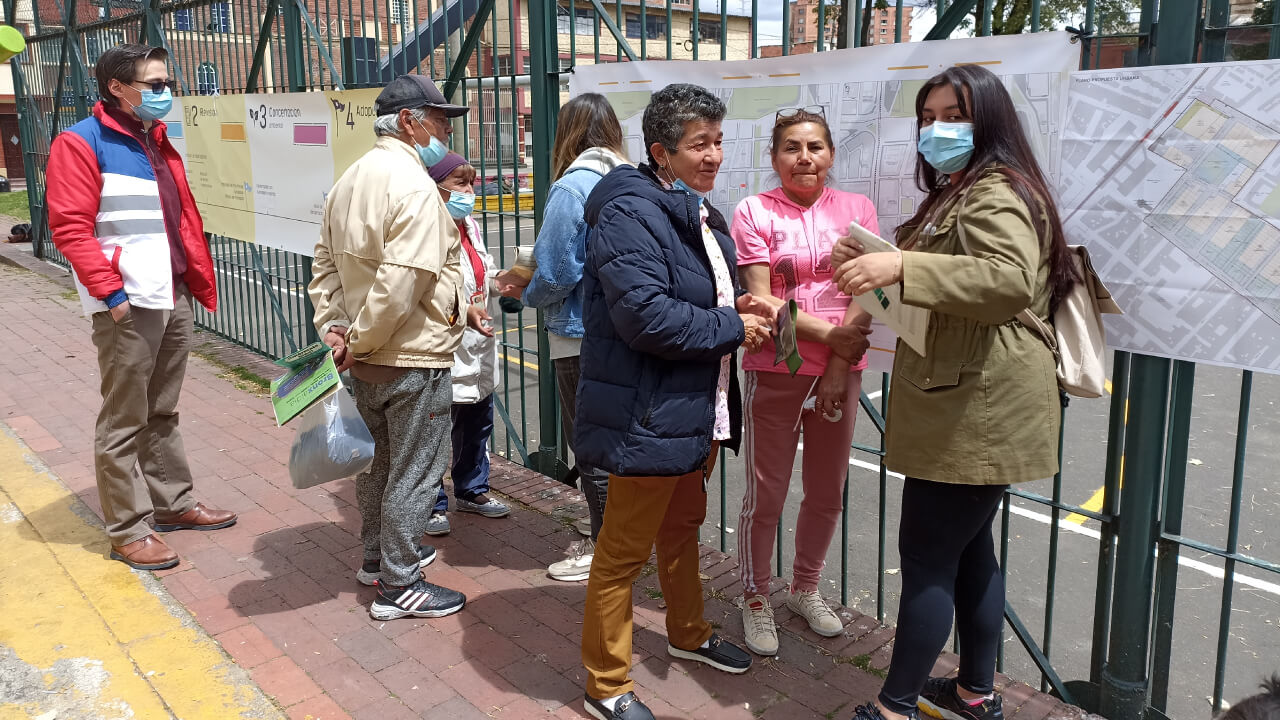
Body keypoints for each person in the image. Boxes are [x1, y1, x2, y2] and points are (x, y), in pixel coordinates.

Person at [830, 64, 1079, 720]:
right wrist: (871, 268)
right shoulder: (958, 190)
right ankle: (975, 694)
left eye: (952, 117)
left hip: (979, 406)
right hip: (967, 398)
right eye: (929, 117)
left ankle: (893, 708)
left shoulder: (996, 190)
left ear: (988, 121)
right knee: (970, 554)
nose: (936, 130)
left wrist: (903, 262)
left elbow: (1005, 282)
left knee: (928, 558)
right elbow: (932, 292)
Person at [575, 83, 775, 720]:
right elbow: (646, 317)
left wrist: (734, 308)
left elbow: (694, 297)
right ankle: (606, 684)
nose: (714, 155)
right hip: (647, 414)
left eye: (718, 141)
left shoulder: (697, 209)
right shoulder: (629, 212)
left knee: (683, 530)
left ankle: (688, 634)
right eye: (699, 144)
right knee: (622, 554)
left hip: (695, 405)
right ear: (661, 152)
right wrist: (732, 327)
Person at [46, 44, 234, 571]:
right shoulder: (81, 142)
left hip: (169, 292)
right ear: (117, 88)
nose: (164, 94)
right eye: (154, 85)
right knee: (124, 418)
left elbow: (178, 218)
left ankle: (173, 505)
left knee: (162, 410)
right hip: (127, 303)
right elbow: (70, 228)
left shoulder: (155, 141)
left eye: (166, 83)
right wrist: (112, 294)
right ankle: (127, 529)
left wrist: (189, 281)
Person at [309, 74, 471, 621]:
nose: (445, 133)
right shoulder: (415, 186)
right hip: (409, 354)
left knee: (377, 465)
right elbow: (403, 282)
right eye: (440, 121)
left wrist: (337, 330)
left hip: (365, 357)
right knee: (416, 470)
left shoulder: (349, 179)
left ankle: (377, 557)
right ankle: (401, 584)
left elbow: (324, 264)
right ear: (410, 120)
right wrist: (359, 338)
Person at [731, 106, 876, 655]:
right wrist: (828, 339)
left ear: (831, 154)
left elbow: (868, 294)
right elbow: (763, 299)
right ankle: (754, 593)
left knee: (825, 489)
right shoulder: (753, 211)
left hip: (842, 370)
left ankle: (805, 588)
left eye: (815, 146)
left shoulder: (858, 211)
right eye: (791, 147)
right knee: (765, 491)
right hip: (780, 361)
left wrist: (839, 363)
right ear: (774, 158)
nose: (804, 158)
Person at [503, 93, 630, 581]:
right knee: (621, 444)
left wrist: (523, 288)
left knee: (591, 447)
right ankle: (620, 532)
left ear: (566, 134)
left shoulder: (573, 186)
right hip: (629, 331)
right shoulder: (631, 178)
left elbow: (556, 272)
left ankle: (604, 547)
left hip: (580, 336)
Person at [423, 152, 510, 536]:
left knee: (477, 417)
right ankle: (432, 502)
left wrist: (503, 278)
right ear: (437, 187)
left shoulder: (468, 225)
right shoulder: (427, 227)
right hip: (445, 341)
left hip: (478, 339)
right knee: (436, 427)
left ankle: (471, 488)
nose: (469, 191)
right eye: (461, 183)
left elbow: (482, 270)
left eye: (472, 182)